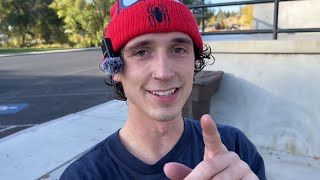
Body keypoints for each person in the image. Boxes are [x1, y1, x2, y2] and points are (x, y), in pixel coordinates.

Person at [60, 0, 266, 179]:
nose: (164, 72)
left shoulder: (234, 148)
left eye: (178, 50)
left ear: (195, 61)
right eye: (141, 52)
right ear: (114, 69)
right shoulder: (83, 175)